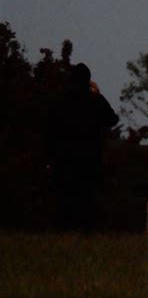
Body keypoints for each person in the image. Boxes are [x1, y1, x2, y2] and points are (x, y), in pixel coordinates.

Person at [46, 63, 118, 231]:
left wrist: (49, 159)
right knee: (87, 201)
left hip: (63, 159)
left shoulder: (58, 101)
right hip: (89, 159)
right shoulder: (94, 100)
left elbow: (49, 131)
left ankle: (63, 235)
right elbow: (112, 119)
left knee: (64, 201)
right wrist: (98, 95)